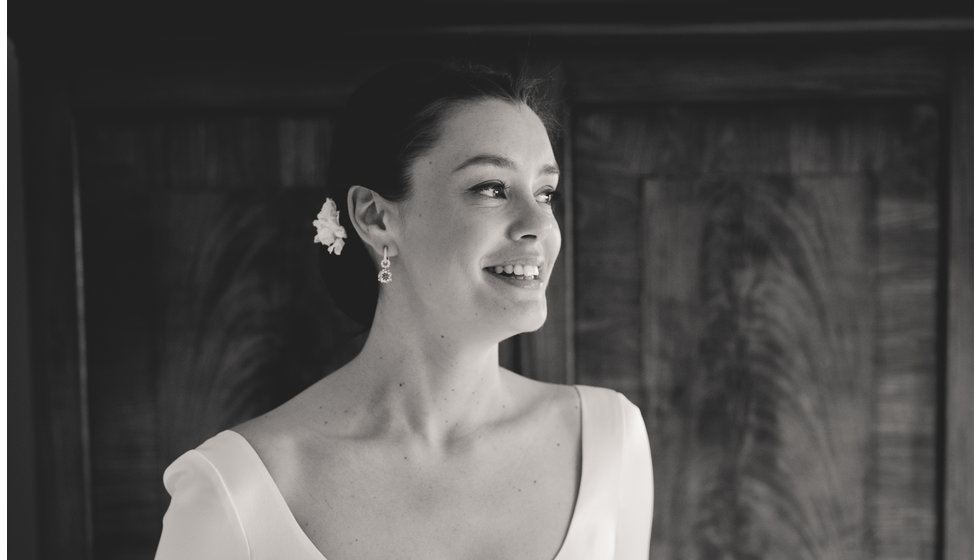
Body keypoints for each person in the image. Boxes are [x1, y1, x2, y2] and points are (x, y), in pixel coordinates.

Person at [154, 61, 653, 560]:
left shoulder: (608, 446)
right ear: (374, 216)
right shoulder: (234, 492)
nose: (538, 225)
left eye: (545, 192)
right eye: (491, 188)